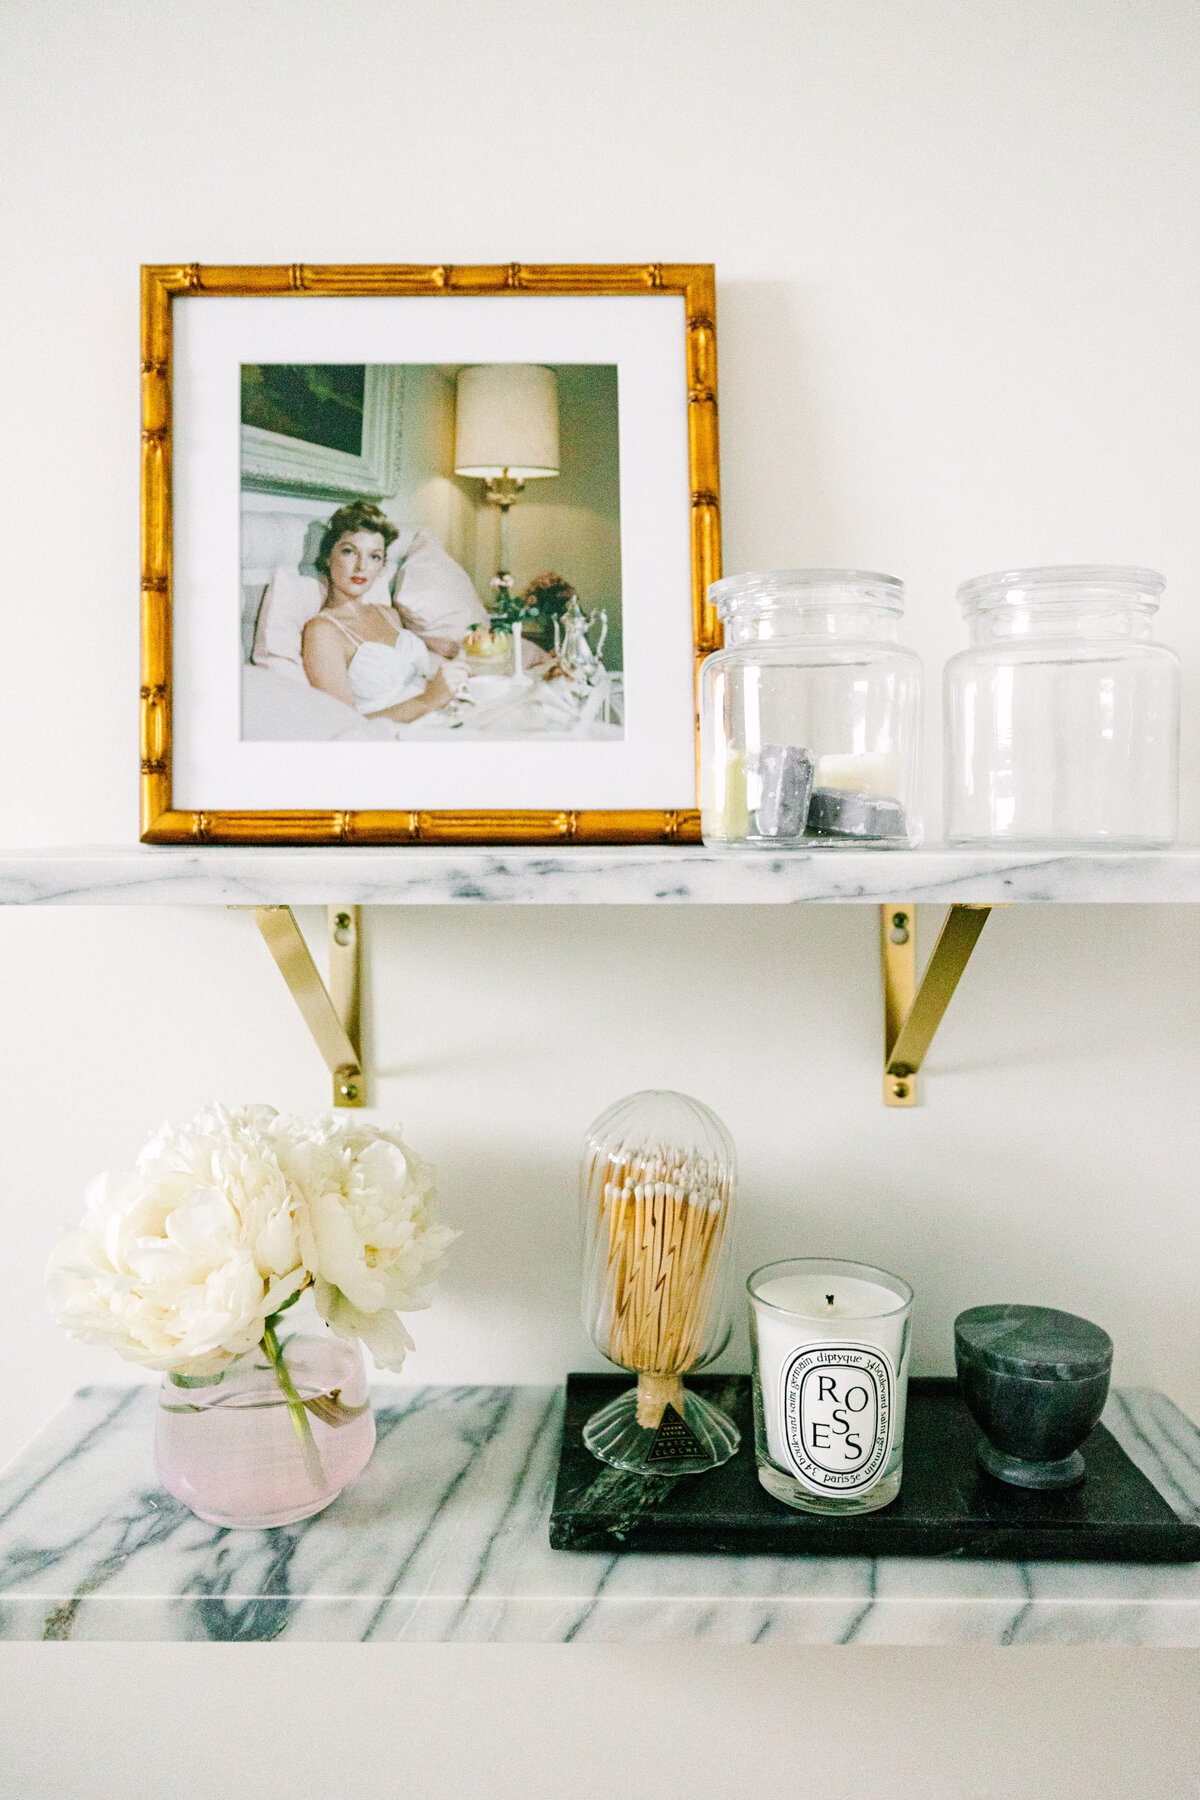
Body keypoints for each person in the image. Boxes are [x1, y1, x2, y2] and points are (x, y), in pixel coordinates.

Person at [301, 501, 458, 724]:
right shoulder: (323, 631)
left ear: (382, 565)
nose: (361, 566)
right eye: (349, 552)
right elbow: (342, 723)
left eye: (374, 556)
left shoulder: (388, 614)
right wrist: (427, 701)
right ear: (328, 557)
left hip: (443, 717)